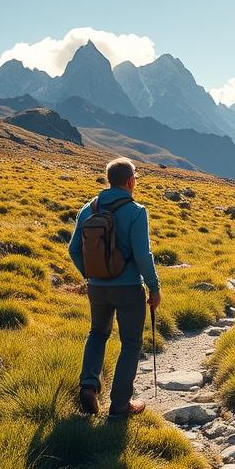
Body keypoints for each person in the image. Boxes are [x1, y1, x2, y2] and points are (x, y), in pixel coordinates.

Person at [69, 157, 161, 417]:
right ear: (131, 182)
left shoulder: (88, 209)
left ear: (109, 180)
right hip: (129, 288)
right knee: (130, 343)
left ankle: (88, 386)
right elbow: (143, 256)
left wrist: (91, 275)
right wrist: (154, 288)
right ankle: (120, 405)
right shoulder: (136, 211)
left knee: (97, 333)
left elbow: (73, 250)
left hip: (97, 289)